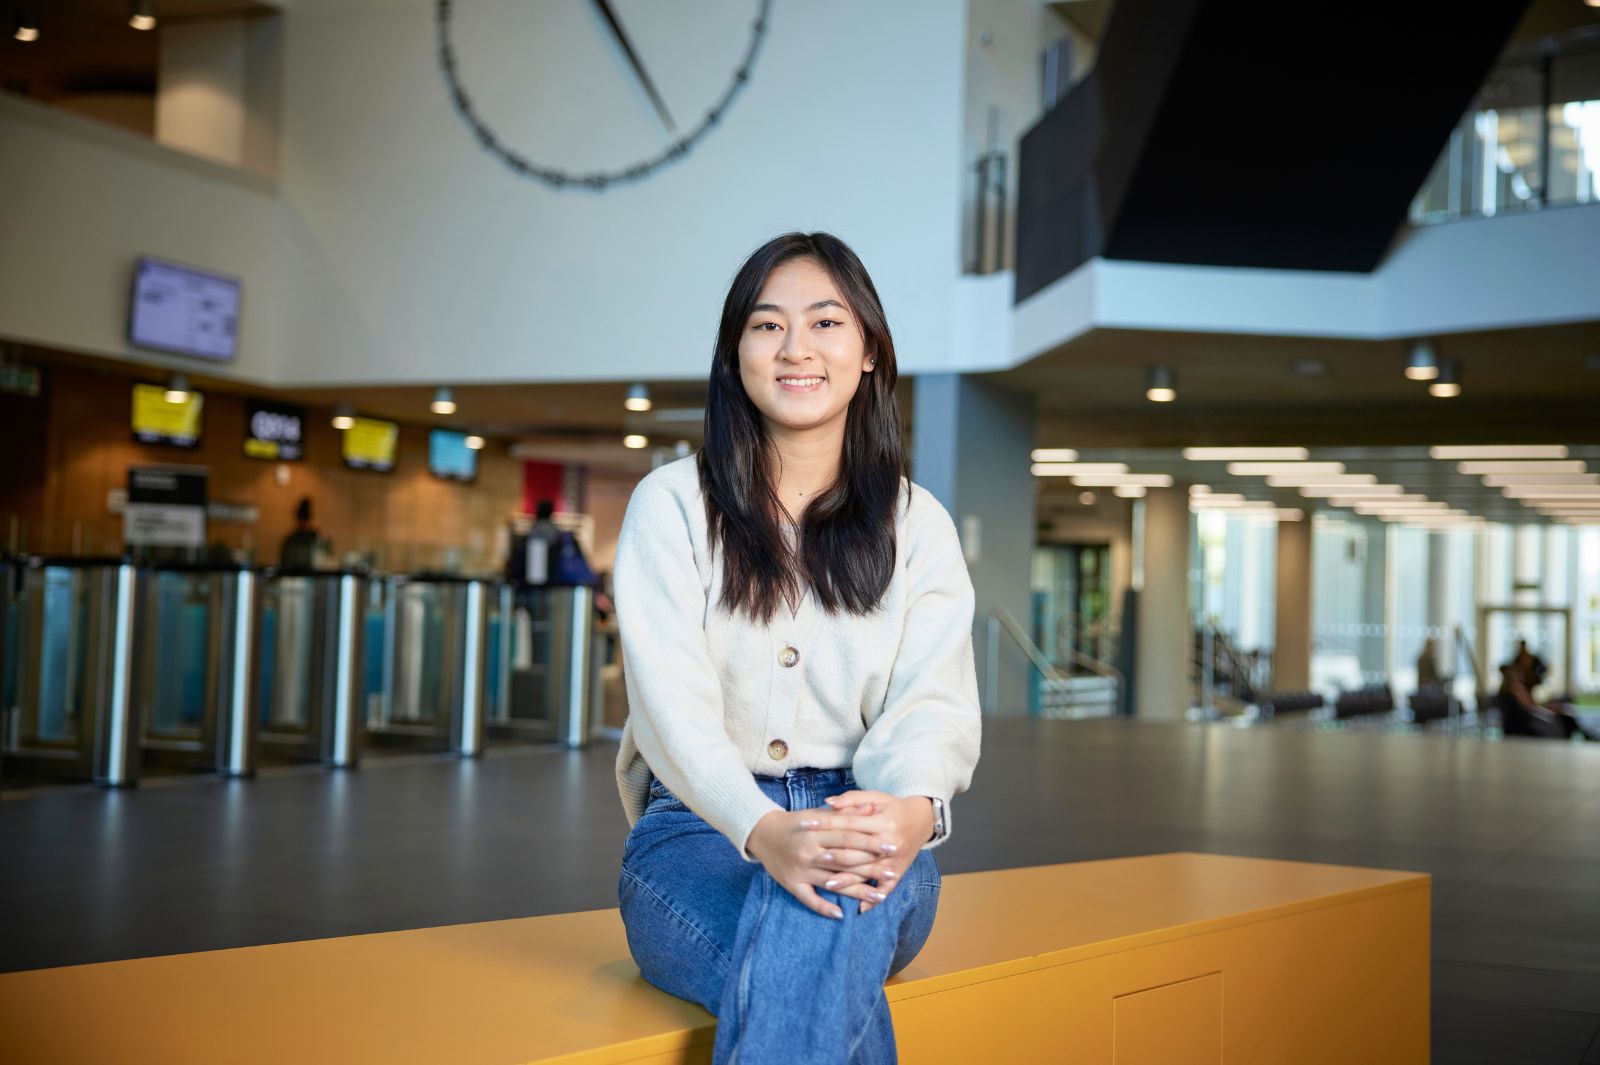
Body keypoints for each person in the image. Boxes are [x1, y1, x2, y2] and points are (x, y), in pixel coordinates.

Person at [611, 232, 981, 1064]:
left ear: (870, 352)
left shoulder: (917, 525)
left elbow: (935, 703)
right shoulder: (671, 505)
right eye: (767, 325)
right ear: (735, 350)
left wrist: (911, 815)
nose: (796, 349)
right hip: (698, 837)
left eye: (825, 322)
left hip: (871, 825)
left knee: (828, 902)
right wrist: (765, 827)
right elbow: (671, 713)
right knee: (816, 946)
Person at [1496, 647, 1595, 741]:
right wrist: (1549, 709)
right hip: (1528, 727)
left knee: (1564, 703)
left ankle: (1585, 734)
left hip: (1529, 721)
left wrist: (1547, 707)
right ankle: (1585, 735)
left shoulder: (1514, 688)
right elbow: (1532, 709)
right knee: (1565, 716)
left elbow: (1531, 706)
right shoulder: (1516, 687)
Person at [278, 496, 327, 571]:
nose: (303, 525)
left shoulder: (316, 537)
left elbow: (323, 561)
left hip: (311, 575)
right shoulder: (291, 539)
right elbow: (284, 562)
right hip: (294, 576)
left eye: (305, 522)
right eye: (302, 522)